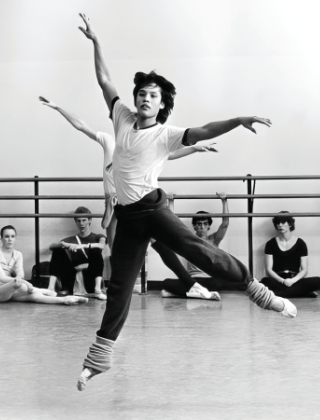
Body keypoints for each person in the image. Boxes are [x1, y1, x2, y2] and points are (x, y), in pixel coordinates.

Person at [76, 13, 297, 391]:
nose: (145, 98)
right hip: (128, 219)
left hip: (154, 210)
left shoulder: (167, 134)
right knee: (120, 287)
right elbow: (104, 80)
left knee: (201, 254)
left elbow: (206, 129)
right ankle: (100, 357)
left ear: (162, 105)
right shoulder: (121, 117)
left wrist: (238, 119)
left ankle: (258, 292)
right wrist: (96, 41)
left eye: (153, 96)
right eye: (142, 93)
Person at [41, 97, 219, 300]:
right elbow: (81, 125)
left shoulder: (142, 142)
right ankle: (120, 292)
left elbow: (169, 154)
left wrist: (194, 148)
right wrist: (58, 107)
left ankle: (191, 284)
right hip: (114, 204)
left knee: (159, 243)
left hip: (136, 203)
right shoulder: (109, 140)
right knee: (116, 251)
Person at [0, 225, 88, 305]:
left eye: (12, 236)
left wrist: (22, 281)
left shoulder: (18, 254)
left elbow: (20, 274)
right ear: (1, 239)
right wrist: (27, 284)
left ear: (15, 239)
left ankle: (65, 300)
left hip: (11, 290)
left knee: (35, 297)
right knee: (18, 284)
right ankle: (41, 290)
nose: (10, 239)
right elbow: (2, 278)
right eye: (6, 236)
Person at [157, 192, 231, 299]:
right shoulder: (188, 239)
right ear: (194, 226)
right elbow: (171, 225)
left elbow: (225, 224)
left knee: (218, 283)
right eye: (199, 224)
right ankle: (204, 294)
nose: (202, 227)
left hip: (209, 280)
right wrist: (171, 201)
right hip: (192, 280)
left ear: (209, 226)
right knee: (165, 283)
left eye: (205, 224)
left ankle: (181, 294)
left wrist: (224, 201)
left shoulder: (213, 240)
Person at [48, 206, 108, 300]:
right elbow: (51, 246)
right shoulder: (71, 239)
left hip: (90, 276)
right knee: (58, 250)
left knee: (96, 251)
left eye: (84, 220)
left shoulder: (98, 236)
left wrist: (82, 246)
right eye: (78, 221)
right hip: (71, 276)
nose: (81, 223)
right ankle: (51, 288)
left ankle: (97, 289)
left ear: (90, 220)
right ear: (75, 222)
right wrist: (65, 245)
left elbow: (101, 245)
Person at [260, 212, 320, 298]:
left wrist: (292, 281)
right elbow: (268, 270)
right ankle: (302, 293)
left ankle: (278, 294)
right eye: (278, 223)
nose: (280, 225)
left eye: (283, 222)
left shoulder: (301, 243)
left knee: (318, 281)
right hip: (277, 280)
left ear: (290, 224)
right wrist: (282, 281)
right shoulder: (270, 244)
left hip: (295, 280)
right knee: (264, 282)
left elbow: (304, 270)